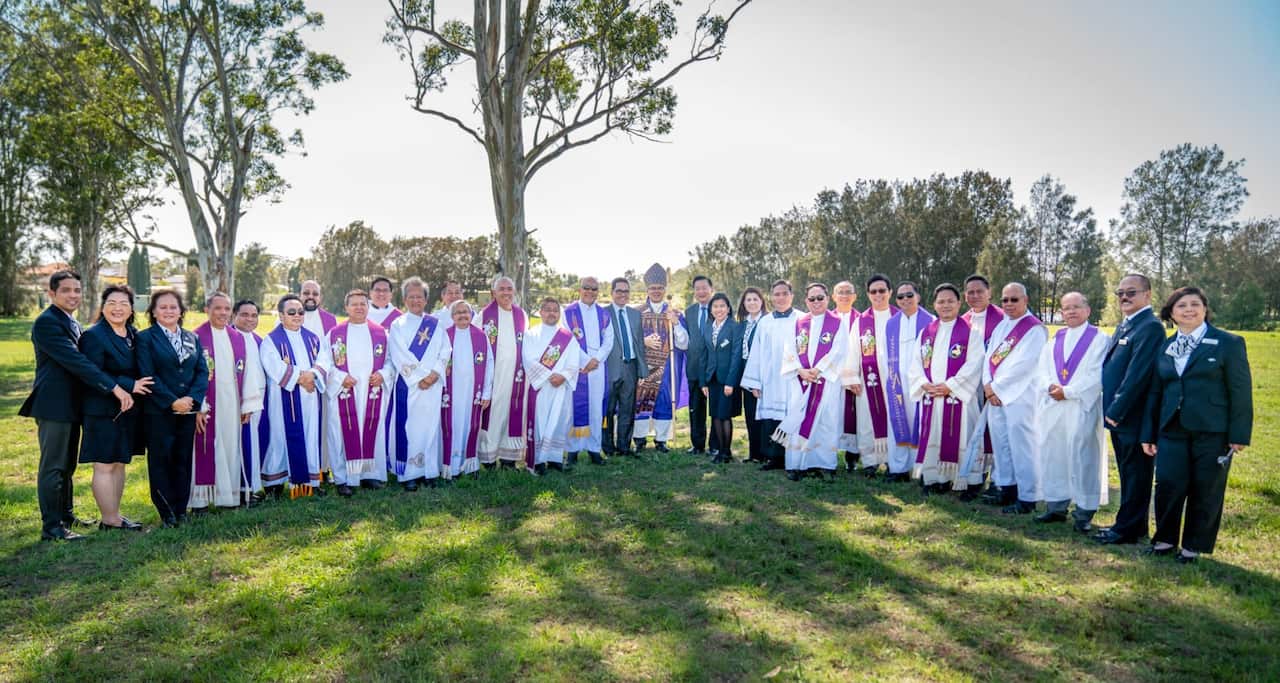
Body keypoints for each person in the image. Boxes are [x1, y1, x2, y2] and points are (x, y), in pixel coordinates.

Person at [1141, 287, 1252, 564]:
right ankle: (1165, 540)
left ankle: (1193, 547)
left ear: (1205, 309)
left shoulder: (1228, 342)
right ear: (1171, 313)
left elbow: (1240, 391)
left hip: (1212, 431)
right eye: (1181, 306)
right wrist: (1148, 432)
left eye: (1195, 304)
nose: (1189, 309)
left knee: (1206, 488)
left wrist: (1239, 434)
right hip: (1171, 429)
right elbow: (1156, 392)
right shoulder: (1166, 346)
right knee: (1167, 483)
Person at [21, 270, 133, 541]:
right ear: (52, 294)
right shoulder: (47, 323)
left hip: (71, 404)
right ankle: (52, 528)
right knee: (54, 466)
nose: (73, 295)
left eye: (77, 290)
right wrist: (114, 387)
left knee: (67, 465)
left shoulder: (70, 321)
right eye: (66, 290)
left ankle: (66, 515)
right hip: (53, 405)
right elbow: (77, 362)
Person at [1093, 274, 1166, 545]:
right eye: (1120, 292)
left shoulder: (1150, 327)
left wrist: (1116, 410)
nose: (1124, 297)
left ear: (1147, 295)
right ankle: (1130, 526)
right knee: (1127, 473)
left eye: (1131, 292)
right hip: (1119, 416)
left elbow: (1138, 375)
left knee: (1136, 475)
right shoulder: (1127, 325)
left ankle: (1127, 530)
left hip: (1132, 417)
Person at [78, 285, 153, 531]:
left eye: (123, 303)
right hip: (102, 409)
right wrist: (129, 384)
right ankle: (108, 519)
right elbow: (93, 371)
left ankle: (115, 515)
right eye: (112, 302)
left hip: (127, 410)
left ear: (132, 308)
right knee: (104, 464)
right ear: (103, 306)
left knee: (120, 462)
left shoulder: (132, 333)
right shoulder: (94, 335)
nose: (117, 308)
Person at [1035, 292, 1109, 531]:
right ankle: (1056, 506)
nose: (1071, 312)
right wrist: (1049, 386)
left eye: (1076, 307)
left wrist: (1068, 391)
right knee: (1054, 455)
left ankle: (1084, 511)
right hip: (1054, 407)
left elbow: (1097, 374)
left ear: (1088, 310)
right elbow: (1042, 370)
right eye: (1066, 308)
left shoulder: (1099, 339)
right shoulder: (1054, 340)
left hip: (1080, 406)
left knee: (1083, 457)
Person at [136, 289, 209, 527]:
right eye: (163, 307)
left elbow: (202, 371)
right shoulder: (145, 338)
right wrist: (171, 401)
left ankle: (181, 510)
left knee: (182, 460)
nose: (169, 311)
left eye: (173, 307)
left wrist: (191, 399)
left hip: (187, 410)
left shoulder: (192, 338)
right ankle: (166, 513)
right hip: (159, 411)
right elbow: (148, 374)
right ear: (154, 312)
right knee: (161, 461)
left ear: (181, 311)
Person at [191, 293, 264, 513]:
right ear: (207, 309)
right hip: (208, 404)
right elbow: (190, 375)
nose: (223, 313)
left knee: (231, 447)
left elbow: (248, 371)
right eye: (217, 308)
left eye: (226, 309)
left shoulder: (238, 338)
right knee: (205, 448)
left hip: (232, 403)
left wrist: (247, 405)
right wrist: (198, 405)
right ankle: (200, 501)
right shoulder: (195, 337)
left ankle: (228, 497)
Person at [908, 284, 983, 493]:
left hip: (957, 398)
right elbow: (915, 363)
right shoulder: (926, 333)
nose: (946, 305)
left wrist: (950, 386)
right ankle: (937, 479)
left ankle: (967, 482)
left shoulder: (971, 333)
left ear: (959, 303)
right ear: (934, 305)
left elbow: (975, 364)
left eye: (950, 301)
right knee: (934, 436)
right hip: (931, 396)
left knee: (962, 438)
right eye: (941, 301)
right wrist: (923, 383)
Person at [982, 283, 1048, 514]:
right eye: (1005, 300)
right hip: (996, 396)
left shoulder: (1034, 329)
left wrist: (996, 388)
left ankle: (1027, 496)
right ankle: (1006, 487)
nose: (1009, 304)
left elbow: (1025, 365)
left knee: (1022, 446)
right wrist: (988, 386)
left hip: (1020, 397)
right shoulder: (1002, 326)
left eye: (1014, 300)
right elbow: (988, 357)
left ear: (1025, 300)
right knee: (1001, 444)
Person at [777, 283, 850, 480]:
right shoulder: (798, 323)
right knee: (800, 421)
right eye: (812, 298)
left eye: (820, 298)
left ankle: (825, 465)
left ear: (827, 299)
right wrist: (800, 370)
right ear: (806, 301)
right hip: (800, 383)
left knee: (826, 422)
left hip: (825, 382)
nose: (816, 302)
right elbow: (788, 350)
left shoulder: (837, 323)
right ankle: (796, 464)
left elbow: (839, 351)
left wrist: (818, 370)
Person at [325, 290, 394, 497]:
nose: (359, 307)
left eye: (363, 303)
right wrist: (339, 377)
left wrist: (383, 374)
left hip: (372, 391)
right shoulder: (334, 334)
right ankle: (342, 478)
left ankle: (369, 474)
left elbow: (392, 360)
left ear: (368, 306)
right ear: (346, 307)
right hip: (345, 391)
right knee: (340, 433)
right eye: (354, 304)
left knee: (372, 429)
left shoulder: (381, 334)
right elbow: (325, 363)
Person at [260, 294, 330, 498]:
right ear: (281, 315)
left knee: (310, 436)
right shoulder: (271, 340)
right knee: (280, 437)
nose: (297, 315)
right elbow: (273, 366)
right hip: (284, 400)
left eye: (300, 312)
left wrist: (313, 375)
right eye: (291, 312)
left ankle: (311, 483)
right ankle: (276, 483)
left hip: (309, 399)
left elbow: (324, 360)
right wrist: (304, 378)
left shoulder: (313, 337)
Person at [386, 278, 452, 490]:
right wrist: (421, 377)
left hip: (432, 387)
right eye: (411, 297)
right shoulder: (398, 325)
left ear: (426, 300)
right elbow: (399, 354)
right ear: (405, 299)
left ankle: (429, 471)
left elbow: (446, 350)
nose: (416, 300)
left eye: (419, 297)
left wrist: (434, 375)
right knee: (409, 428)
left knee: (430, 427)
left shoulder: (436, 324)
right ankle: (409, 474)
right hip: (410, 386)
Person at [741, 280, 799, 471]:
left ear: (791, 295)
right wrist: (755, 382)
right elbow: (756, 353)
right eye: (776, 294)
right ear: (771, 297)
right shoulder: (765, 322)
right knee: (771, 418)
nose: (780, 298)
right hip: (771, 380)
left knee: (792, 416)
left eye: (784, 293)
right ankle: (773, 457)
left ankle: (794, 455)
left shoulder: (802, 319)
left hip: (794, 380)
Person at [632, 263, 689, 453]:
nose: (656, 291)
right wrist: (643, 341)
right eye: (653, 288)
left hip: (667, 364)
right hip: (643, 366)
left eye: (660, 288)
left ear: (665, 289)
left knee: (664, 400)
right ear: (647, 289)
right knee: (641, 400)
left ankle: (661, 439)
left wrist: (676, 324)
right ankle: (639, 439)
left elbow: (684, 344)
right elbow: (629, 340)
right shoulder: (636, 313)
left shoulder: (674, 313)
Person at [522, 298, 581, 474]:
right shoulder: (531, 334)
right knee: (540, 422)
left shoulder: (567, 337)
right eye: (547, 309)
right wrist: (549, 376)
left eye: (555, 310)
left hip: (560, 386)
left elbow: (574, 360)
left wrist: (563, 376)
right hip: (540, 387)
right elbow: (528, 359)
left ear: (559, 313)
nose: (551, 313)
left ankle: (555, 458)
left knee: (559, 421)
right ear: (540, 312)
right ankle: (539, 461)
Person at [478, 275, 530, 467]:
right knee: (493, 416)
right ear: (493, 292)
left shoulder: (522, 315)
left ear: (514, 291)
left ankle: (509, 459)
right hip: (494, 377)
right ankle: (489, 459)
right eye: (502, 289)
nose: (506, 292)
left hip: (517, 376)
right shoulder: (483, 316)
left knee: (512, 415)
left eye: (509, 289)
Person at [851, 274, 899, 477]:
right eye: (873, 291)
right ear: (868, 294)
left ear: (890, 292)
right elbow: (852, 351)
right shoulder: (861, 321)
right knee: (866, 421)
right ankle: (870, 462)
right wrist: (851, 377)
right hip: (868, 380)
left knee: (895, 420)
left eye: (882, 290)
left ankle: (893, 462)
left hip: (895, 382)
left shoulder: (900, 318)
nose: (878, 295)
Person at [564, 277, 614, 465]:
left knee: (595, 408)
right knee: (573, 408)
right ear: (580, 289)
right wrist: (585, 361)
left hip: (598, 368)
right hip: (576, 367)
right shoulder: (568, 313)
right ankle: (572, 450)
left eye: (594, 289)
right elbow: (567, 339)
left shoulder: (603, 314)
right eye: (587, 288)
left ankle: (594, 449)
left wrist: (597, 359)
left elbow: (609, 340)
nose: (590, 292)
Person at [963, 274, 1005, 500]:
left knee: (996, 432)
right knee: (972, 430)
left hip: (995, 385)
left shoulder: (1002, 319)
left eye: (980, 291)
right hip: (969, 385)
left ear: (990, 292)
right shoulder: (963, 320)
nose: (975, 296)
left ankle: (998, 480)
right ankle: (973, 475)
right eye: (970, 292)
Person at [442, 300, 494, 479]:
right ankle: (452, 467)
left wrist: (487, 392)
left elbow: (489, 364)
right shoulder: (445, 335)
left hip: (474, 391)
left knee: (472, 425)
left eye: (466, 312)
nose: (462, 315)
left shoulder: (481, 336)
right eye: (458, 312)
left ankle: (470, 465)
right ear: (452, 316)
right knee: (451, 426)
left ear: (471, 314)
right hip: (450, 392)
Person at [602, 277, 647, 460]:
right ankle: (608, 447)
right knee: (608, 410)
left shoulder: (635, 314)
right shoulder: (603, 314)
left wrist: (642, 370)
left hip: (631, 368)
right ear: (611, 293)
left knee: (627, 409)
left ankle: (624, 447)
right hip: (610, 369)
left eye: (626, 291)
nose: (622, 294)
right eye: (619, 291)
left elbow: (639, 345)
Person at [233, 299, 270, 504]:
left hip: (261, 397)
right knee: (243, 444)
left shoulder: (258, 340)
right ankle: (242, 490)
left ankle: (254, 487)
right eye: (244, 314)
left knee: (255, 444)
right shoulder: (230, 338)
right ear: (234, 315)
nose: (250, 319)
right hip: (240, 401)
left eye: (254, 315)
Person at [701, 293, 743, 463]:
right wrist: (703, 381)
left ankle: (726, 452)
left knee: (725, 415)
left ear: (728, 308)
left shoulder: (734, 327)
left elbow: (736, 357)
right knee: (715, 415)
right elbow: (705, 355)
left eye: (722, 306)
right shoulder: (708, 327)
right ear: (711, 309)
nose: (718, 309)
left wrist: (730, 382)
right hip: (712, 379)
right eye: (715, 306)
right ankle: (720, 450)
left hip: (727, 380)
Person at [831, 281, 861, 470]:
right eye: (840, 292)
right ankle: (829, 454)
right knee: (832, 415)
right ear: (833, 297)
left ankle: (852, 457)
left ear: (855, 296)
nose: (844, 296)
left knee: (853, 415)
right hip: (831, 375)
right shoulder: (827, 318)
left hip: (853, 375)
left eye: (848, 292)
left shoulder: (862, 319)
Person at [684, 275, 714, 455]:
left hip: (715, 367)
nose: (701, 292)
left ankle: (717, 444)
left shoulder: (719, 308)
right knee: (696, 408)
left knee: (717, 409)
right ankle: (697, 444)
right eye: (697, 289)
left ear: (711, 289)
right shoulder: (689, 311)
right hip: (694, 367)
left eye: (704, 288)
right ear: (694, 292)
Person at [736, 287, 766, 463]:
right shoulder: (742, 324)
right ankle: (754, 454)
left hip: (762, 375)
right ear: (744, 304)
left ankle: (765, 453)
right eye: (748, 300)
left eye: (755, 299)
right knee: (750, 414)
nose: (752, 303)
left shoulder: (767, 322)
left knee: (762, 414)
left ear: (762, 301)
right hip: (745, 374)